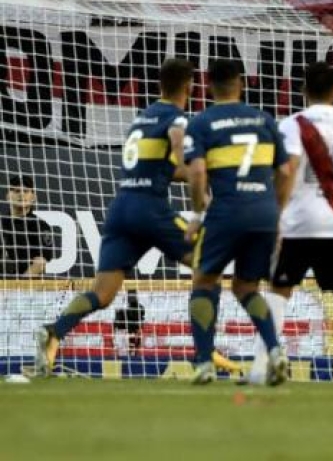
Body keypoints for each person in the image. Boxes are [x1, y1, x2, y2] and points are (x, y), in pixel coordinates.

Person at [33, 60, 236, 377]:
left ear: (159, 85)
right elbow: (180, 152)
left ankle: (54, 331)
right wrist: (199, 175)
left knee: (102, 293)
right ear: (190, 86)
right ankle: (204, 355)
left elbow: (162, 167)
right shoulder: (176, 118)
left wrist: (193, 174)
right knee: (209, 265)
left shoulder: (142, 119)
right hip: (149, 209)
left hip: (121, 211)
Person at [245, 62, 333, 386]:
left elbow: (288, 170)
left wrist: (274, 216)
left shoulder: (293, 124)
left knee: (278, 292)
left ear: (303, 89)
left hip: (298, 224)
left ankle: (260, 368)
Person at [183, 58, 294, 385]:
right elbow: (286, 171)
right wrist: (276, 212)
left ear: (208, 86)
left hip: (227, 211)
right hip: (264, 213)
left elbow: (197, 171)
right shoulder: (265, 120)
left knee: (204, 281)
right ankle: (275, 351)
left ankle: (205, 363)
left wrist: (197, 214)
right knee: (247, 286)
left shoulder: (202, 122)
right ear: (241, 83)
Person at [1, 175, 56, 278]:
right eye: (17, 191)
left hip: (27, 285)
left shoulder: (40, 226)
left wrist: (17, 286)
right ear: (8, 196)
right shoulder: (1, 224)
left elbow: (40, 262)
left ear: (33, 197)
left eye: (26, 191)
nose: (21, 194)